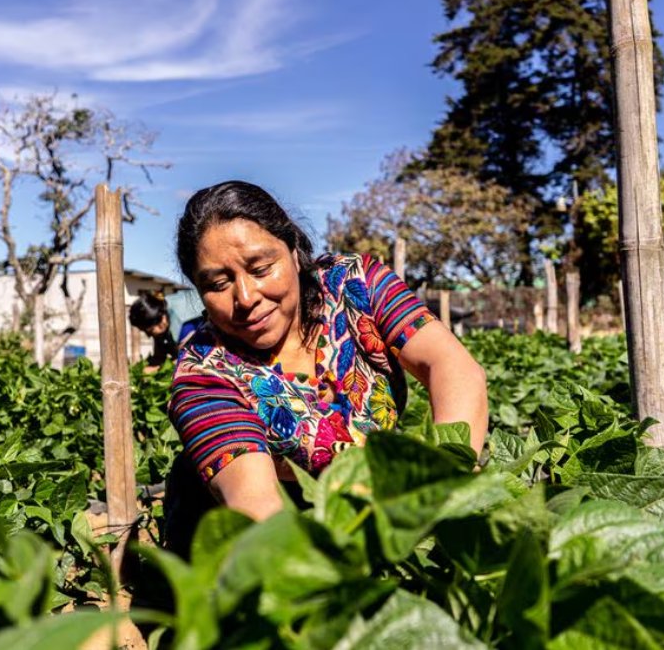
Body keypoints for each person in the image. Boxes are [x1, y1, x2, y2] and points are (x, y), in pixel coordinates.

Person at [163, 181, 488, 549]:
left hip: (382, 504)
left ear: (294, 250)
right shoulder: (204, 373)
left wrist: (444, 484)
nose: (246, 297)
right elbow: (258, 508)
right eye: (218, 284)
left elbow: (453, 368)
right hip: (279, 538)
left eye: (261, 268)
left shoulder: (354, 284)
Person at [128, 293, 179, 367]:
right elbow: (159, 358)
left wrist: (157, 368)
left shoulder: (182, 325)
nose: (148, 336)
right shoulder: (161, 334)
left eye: (150, 331)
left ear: (161, 322)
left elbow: (186, 360)